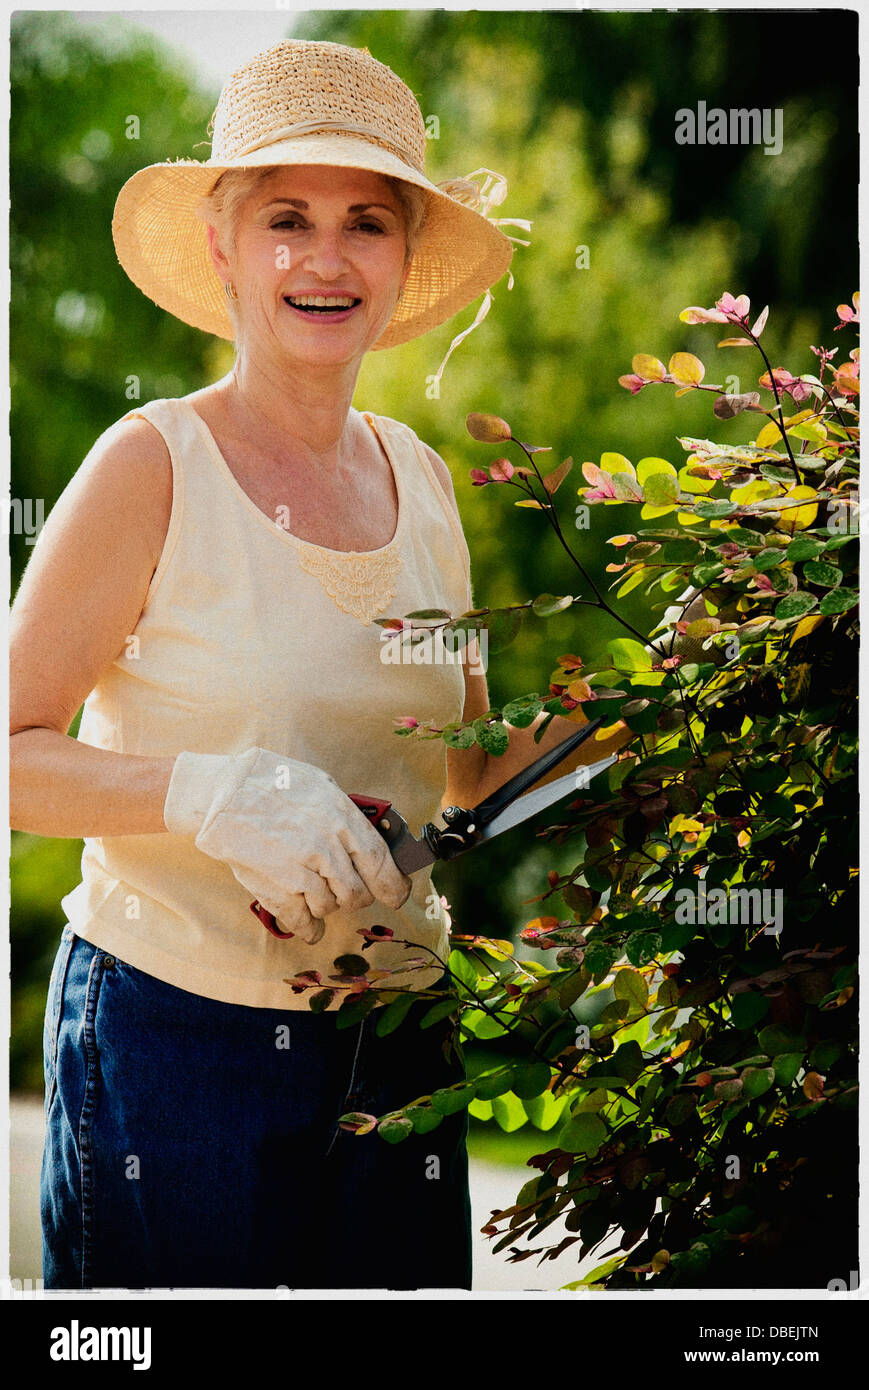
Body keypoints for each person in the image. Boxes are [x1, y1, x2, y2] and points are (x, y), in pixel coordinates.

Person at [10, 38, 623, 1291]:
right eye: (286, 218)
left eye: (366, 222)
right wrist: (210, 793)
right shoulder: (149, 466)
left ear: (402, 264)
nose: (326, 257)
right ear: (226, 247)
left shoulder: (426, 481)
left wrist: (653, 711)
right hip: (174, 1040)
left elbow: (461, 767)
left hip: (394, 1041)